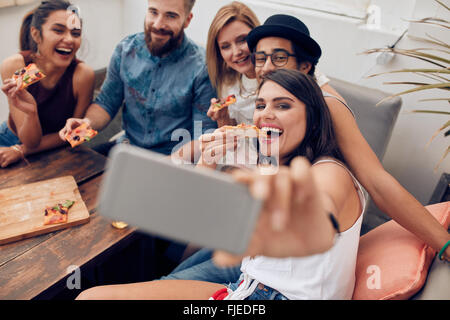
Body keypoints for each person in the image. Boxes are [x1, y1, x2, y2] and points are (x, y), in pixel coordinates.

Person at [77, 69, 366, 300]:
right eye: (261, 105)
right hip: (247, 286)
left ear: (313, 120)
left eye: (283, 105)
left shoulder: (330, 171)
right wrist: (207, 165)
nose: (266, 113)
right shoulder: (273, 165)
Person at [245, 14, 449, 261]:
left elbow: (377, 183)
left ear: (304, 66)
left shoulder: (327, 107)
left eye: (279, 58)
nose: (266, 67)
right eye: (260, 58)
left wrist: (443, 243)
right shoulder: (267, 104)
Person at [58, 0, 217, 157]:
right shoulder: (125, 50)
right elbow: (107, 102)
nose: (158, 24)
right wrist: (87, 123)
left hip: (173, 158)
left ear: (187, 20)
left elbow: (203, 135)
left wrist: (167, 164)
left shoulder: (202, 67)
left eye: (171, 16)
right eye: (153, 12)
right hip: (127, 149)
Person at [204, 1, 341, 128]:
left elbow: (338, 107)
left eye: (242, 40)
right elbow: (237, 138)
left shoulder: (294, 69)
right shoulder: (227, 81)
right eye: (225, 46)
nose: (236, 52)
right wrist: (223, 118)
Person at [0, 0, 94, 168]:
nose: (69, 39)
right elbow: (31, 140)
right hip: (10, 141)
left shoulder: (83, 75)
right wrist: (31, 113)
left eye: (76, 33)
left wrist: (21, 150)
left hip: (57, 148)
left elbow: (78, 134)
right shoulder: (22, 68)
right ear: (36, 35)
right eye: (58, 30)